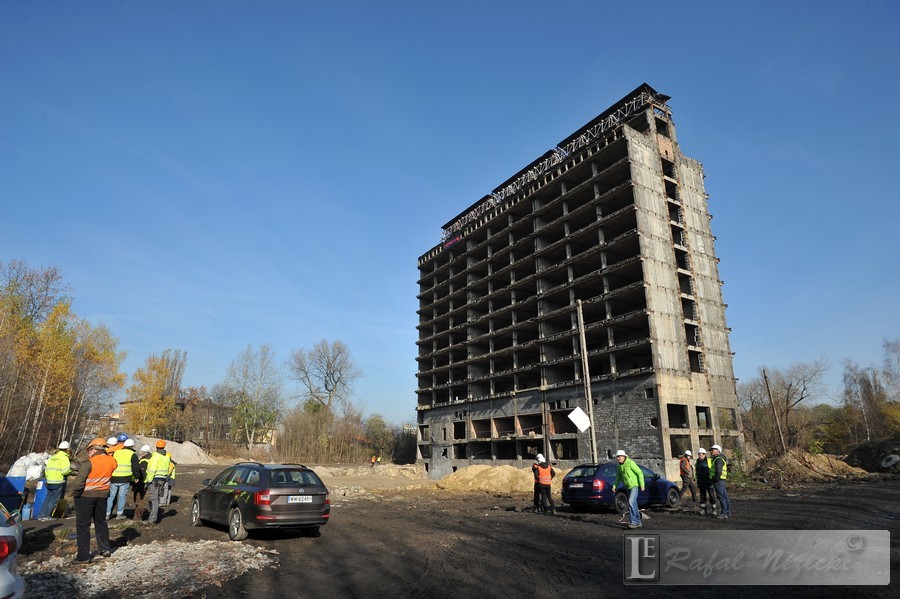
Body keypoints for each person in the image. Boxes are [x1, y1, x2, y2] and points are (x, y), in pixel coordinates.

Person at [71, 437, 116, 563]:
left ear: (94, 449)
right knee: (101, 522)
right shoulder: (112, 461)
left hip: (86, 497)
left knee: (83, 526)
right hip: (102, 496)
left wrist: (75, 494)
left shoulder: (88, 463)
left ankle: (83, 556)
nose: (88, 453)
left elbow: (79, 482)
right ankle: (105, 548)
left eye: (89, 450)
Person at [38, 441, 73, 521]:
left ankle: (41, 515)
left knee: (48, 498)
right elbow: (65, 471)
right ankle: (46, 515)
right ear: (67, 450)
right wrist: (70, 471)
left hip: (49, 481)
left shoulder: (53, 457)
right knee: (54, 499)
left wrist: (48, 479)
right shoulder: (64, 458)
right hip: (58, 481)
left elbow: (46, 470)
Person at [107, 438, 138, 519]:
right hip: (125, 478)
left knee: (111, 496)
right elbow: (135, 467)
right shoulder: (133, 454)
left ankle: (107, 513)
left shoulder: (116, 452)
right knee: (122, 497)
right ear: (132, 446)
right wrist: (137, 477)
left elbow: (111, 463)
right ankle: (119, 514)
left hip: (114, 477)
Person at [613, 449, 645, 529]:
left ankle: (633, 522)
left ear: (623, 457)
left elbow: (639, 473)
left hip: (634, 486)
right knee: (634, 504)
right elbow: (618, 477)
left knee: (631, 502)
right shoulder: (619, 466)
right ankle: (638, 522)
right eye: (617, 457)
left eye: (619, 457)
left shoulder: (630, 463)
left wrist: (642, 484)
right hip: (628, 487)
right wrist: (614, 486)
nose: (617, 458)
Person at [145, 440, 171, 524]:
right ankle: (152, 516)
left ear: (156, 447)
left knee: (154, 499)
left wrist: (148, 481)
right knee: (155, 498)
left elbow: (151, 470)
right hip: (162, 479)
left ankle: (152, 519)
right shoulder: (166, 457)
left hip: (155, 480)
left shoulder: (155, 457)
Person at [132, 445, 152, 523]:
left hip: (142, 483)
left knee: (139, 500)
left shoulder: (144, 461)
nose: (140, 453)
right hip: (147, 482)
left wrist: (136, 482)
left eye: (141, 451)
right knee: (141, 500)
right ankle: (138, 515)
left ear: (143, 452)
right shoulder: (150, 459)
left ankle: (137, 517)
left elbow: (142, 473)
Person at [710, 444, 731, 519]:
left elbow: (718, 471)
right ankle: (727, 512)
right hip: (721, 480)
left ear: (717, 451)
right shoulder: (720, 458)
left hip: (718, 480)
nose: (711, 451)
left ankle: (724, 513)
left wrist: (716, 479)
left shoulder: (718, 459)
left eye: (712, 450)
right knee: (724, 496)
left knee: (721, 497)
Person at [695, 448, 717, 516]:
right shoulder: (697, 462)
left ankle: (714, 510)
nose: (699, 455)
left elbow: (713, 470)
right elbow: (696, 472)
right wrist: (697, 480)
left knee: (712, 496)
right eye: (699, 454)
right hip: (701, 482)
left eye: (701, 454)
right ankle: (703, 509)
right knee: (702, 496)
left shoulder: (709, 461)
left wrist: (712, 479)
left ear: (704, 454)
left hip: (709, 481)